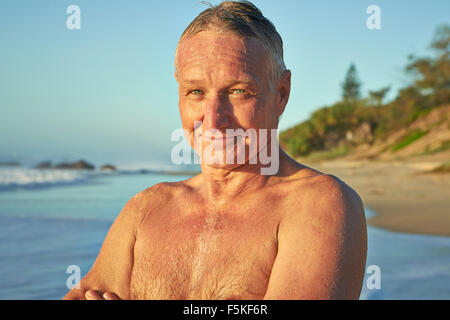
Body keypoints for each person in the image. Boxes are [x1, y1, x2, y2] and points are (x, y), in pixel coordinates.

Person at [63, 0, 367, 300]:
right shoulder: (143, 211)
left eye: (238, 91)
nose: (214, 119)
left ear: (281, 93)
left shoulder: (317, 204)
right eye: (196, 92)